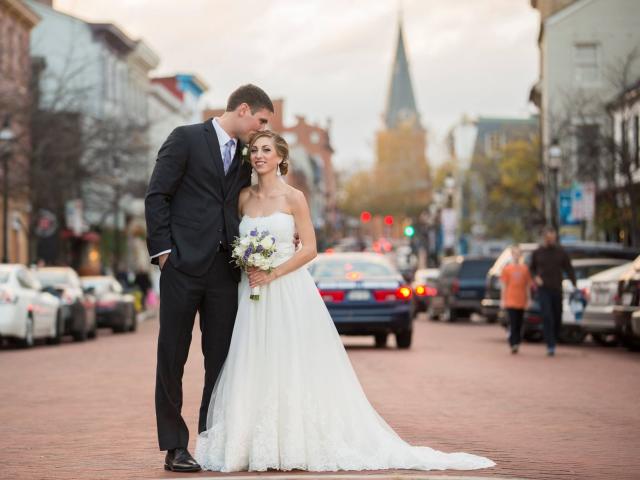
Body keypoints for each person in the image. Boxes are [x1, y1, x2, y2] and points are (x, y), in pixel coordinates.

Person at [194, 130, 495, 473]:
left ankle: (292, 440)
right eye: (255, 150)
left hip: (286, 289)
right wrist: (247, 263)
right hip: (251, 294)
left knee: (289, 360)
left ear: (280, 157)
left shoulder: (295, 198)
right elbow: (231, 237)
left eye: (266, 150)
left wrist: (272, 272)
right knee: (253, 360)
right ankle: (249, 441)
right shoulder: (243, 198)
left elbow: (309, 248)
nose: (259, 155)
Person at [145, 84, 274, 473]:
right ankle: (175, 446)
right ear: (245, 109)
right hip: (182, 268)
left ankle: (211, 438)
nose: (262, 129)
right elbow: (157, 195)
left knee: (221, 360)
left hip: (224, 272)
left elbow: (248, 203)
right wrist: (165, 254)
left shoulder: (245, 157)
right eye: (262, 120)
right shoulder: (184, 139)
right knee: (173, 355)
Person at [529, 227, 576, 356]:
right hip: (543, 289)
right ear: (544, 238)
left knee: (557, 316)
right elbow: (531, 268)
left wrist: (574, 283)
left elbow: (569, 268)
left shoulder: (561, 252)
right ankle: (550, 344)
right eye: (547, 238)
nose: (550, 240)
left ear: (554, 237)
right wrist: (535, 277)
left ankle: (553, 338)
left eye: (552, 237)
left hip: (557, 288)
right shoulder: (537, 252)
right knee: (547, 316)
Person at [500, 245, 532, 354]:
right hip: (510, 300)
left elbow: (527, 286)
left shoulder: (525, 269)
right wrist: (502, 300)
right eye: (515, 253)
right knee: (513, 322)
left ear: (521, 255)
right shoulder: (507, 269)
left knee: (519, 323)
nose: (517, 255)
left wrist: (529, 299)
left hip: (521, 300)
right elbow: (504, 286)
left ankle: (517, 342)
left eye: (518, 253)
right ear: (512, 254)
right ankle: (513, 342)